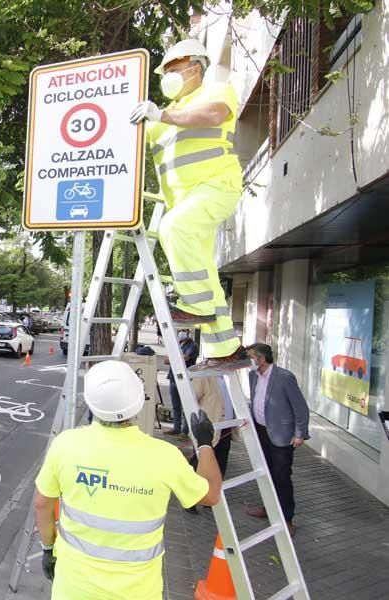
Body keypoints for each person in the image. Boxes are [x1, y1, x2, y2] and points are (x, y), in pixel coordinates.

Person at [33, 360, 223, 599]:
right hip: (138, 592)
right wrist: (205, 443)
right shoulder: (164, 456)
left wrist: (48, 549)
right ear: (137, 402)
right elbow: (211, 495)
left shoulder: (65, 444)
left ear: (91, 403)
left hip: (72, 589)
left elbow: (42, 504)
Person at [129, 39, 246, 369]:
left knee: (174, 227)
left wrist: (163, 113)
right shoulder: (157, 123)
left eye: (174, 69)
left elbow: (213, 115)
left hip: (217, 186)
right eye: (165, 71)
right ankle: (227, 348)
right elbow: (132, 144)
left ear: (197, 67)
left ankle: (193, 304)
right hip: (184, 200)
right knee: (204, 271)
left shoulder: (216, 92)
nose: (169, 76)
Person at [245, 343, 309, 535]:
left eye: (251, 357)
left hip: (281, 437)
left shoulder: (284, 377)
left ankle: (287, 518)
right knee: (265, 473)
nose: (248, 362)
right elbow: (256, 400)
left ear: (261, 359)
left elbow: (300, 408)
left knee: (281, 477)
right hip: (260, 432)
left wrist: (300, 434)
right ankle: (268, 509)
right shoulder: (252, 376)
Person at [165, 329, 199, 436]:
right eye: (180, 330)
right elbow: (166, 360)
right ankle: (176, 428)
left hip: (185, 380)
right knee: (175, 406)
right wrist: (176, 358)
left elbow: (186, 357)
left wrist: (173, 358)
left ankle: (185, 431)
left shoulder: (193, 346)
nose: (181, 333)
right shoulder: (176, 344)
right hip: (173, 378)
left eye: (184, 331)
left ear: (189, 333)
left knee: (186, 406)